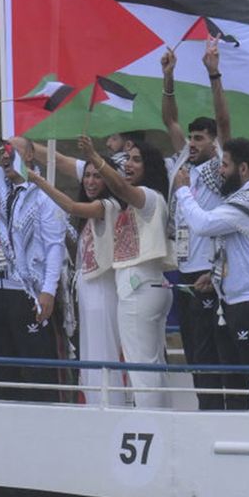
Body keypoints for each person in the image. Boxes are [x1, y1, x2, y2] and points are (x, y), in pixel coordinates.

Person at [0, 97, 67, 402]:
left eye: (13, 150)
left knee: (37, 367)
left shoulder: (44, 195)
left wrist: (48, 290)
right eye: (3, 150)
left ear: (30, 155)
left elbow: (55, 246)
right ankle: (10, 427)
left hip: (26, 291)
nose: (5, 156)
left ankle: (46, 421)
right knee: (1, 363)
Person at [172, 137, 249, 411]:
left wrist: (183, 191)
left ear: (243, 169)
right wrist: (216, 274)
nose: (220, 171)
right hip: (234, 301)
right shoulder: (242, 199)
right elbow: (238, 248)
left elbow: (203, 224)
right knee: (234, 383)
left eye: (225, 165)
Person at [73, 135, 174, 408]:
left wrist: (94, 156)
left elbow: (118, 186)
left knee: (142, 368)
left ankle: (150, 427)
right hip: (147, 286)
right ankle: (162, 422)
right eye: (127, 159)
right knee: (152, 364)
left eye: (136, 160)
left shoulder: (148, 196)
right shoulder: (142, 200)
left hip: (139, 288)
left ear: (149, 167)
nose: (128, 164)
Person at [161, 42, 230, 408]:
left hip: (209, 268)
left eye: (199, 138)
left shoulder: (218, 166)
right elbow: (169, 120)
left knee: (210, 350)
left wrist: (212, 72)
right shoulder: (182, 163)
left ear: (214, 143)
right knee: (191, 348)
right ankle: (204, 409)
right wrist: (168, 77)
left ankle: (217, 414)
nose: (191, 143)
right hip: (183, 268)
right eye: (190, 138)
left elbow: (223, 122)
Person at [29, 160, 125, 406]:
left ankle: (109, 405)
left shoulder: (109, 206)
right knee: (90, 354)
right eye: (88, 176)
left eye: (98, 176)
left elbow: (71, 206)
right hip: (87, 293)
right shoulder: (90, 216)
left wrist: (39, 182)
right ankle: (95, 404)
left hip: (104, 292)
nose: (91, 181)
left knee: (105, 354)